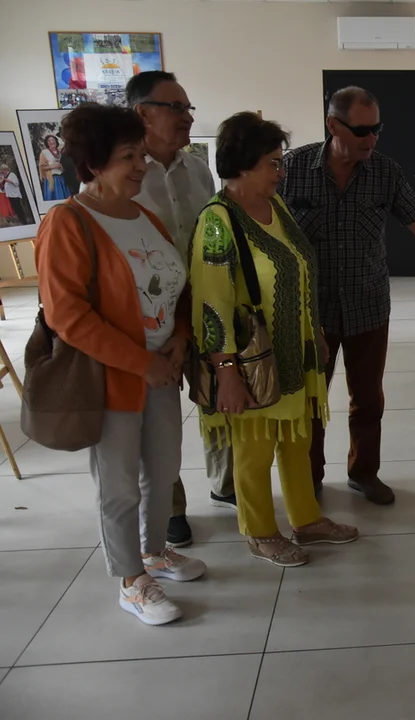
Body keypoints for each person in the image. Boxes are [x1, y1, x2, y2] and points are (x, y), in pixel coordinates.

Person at [279, 86, 415, 503]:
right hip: (309, 312)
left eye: (377, 129)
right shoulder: (292, 169)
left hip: (367, 305)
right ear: (333, 125)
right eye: (362, 130)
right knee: (308, 402)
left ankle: (364, 473)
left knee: (368, 399)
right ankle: (307, 478)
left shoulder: (385, 172)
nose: (372, 139)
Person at [36, 103, 206, 626]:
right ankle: (131, 581)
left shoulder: (145, 216)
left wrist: (178, 338)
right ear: (92, 163)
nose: (141, 166)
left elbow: (176, 287)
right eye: (128, 157)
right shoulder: (68, 222)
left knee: (163, 470)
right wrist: (140, 362)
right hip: (110, 376)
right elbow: (68, 315)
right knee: (118, 483)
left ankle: (154, 552)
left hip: (160, 368)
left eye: (141, 155)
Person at [189, 112, 358, 567]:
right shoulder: (218, 221)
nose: (280, 172)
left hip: (294, 350)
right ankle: (260, 531)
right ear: (242, 165)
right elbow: (211, 302)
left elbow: (300, 271)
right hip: (251, 361)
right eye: (272, 163)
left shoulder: (276, 206)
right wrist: (226, 373)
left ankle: (307, 520)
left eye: (280, 162)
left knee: (296, 439)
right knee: (255, 448)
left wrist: (317, 333)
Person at [124, 70, 231, 548]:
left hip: (205, 304)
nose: (188, 117)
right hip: (149, 317)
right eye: (177, 108)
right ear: (142, 113)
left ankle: (226, 484)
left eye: (189, 108)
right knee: (159, 418)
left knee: (221, 395)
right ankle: (171, 508)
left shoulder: (198, 169)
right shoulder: (123, 173)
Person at [37, 134, 70, 201]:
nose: (51, 141)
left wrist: (61, 166)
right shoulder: (44, 152)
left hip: (62, 178)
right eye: (49, 140)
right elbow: (41, 167)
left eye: (52, 140)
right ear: (47, 143)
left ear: (56, 141)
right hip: (52, 179)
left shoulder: (60, 152)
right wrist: (53, 166)